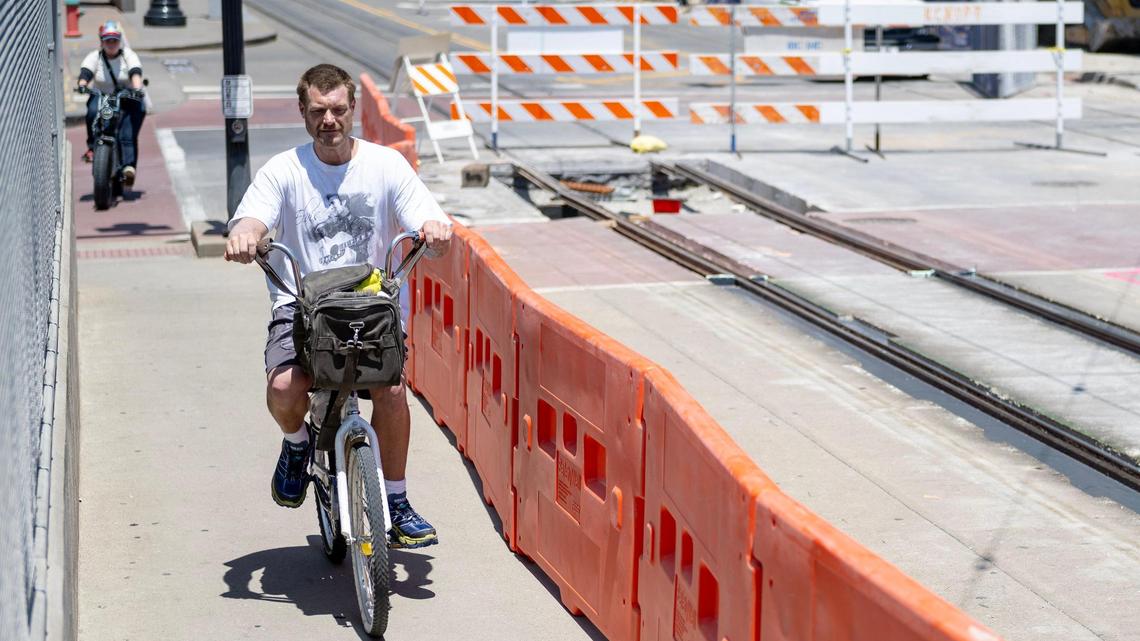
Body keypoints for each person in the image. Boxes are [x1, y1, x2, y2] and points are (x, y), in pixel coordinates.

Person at [224, 64, 452, 549]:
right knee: (286, 387)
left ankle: (396, 499)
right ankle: (297, 445)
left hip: (371, 309)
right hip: (303, 308)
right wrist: (246, 232)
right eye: (317, 111)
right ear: (303, 113)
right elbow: (253, 215)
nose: (329, 120)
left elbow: (426, 216)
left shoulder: (387, 165)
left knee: (391, 394)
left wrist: (434, 229)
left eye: (338, 110)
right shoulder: (284, 170)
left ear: (354, 109)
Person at [77, 20, 146, 187]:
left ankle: (128, 167)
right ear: (102, 41)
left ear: (119, 40)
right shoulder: (95, 57)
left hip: (127, 97)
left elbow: (135, 71)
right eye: (107, 40)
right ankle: (93, 147)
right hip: (102, 97)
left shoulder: (128, 55)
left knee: (127, 133)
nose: (111, 43)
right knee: (92, 112)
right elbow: (85, 73)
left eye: (115, 40)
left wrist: (136, 88)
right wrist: (82, 85)